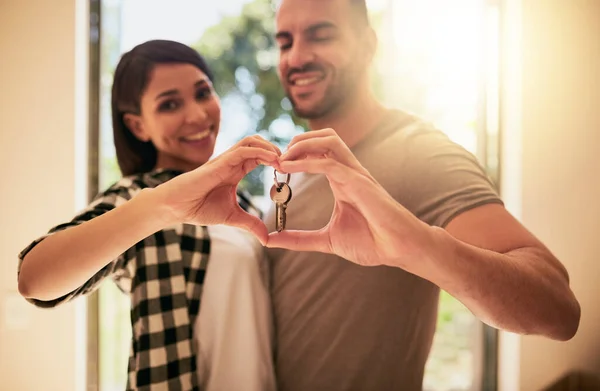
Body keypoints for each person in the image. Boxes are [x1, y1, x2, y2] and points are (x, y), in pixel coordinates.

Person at [263, 1, 581, 390]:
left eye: (321, 35)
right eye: (284, 42)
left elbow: (558, 307)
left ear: (367, 45)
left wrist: (416, 244)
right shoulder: (295, 175)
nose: (296, 56)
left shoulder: (418, 150)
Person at [17, 40, 279, 391]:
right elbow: (35, 279)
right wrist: (159, 207)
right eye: (170, 104)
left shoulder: (247, 203)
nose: (198, 115)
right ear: (138, 126)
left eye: (203, 93)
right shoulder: (138, 199)